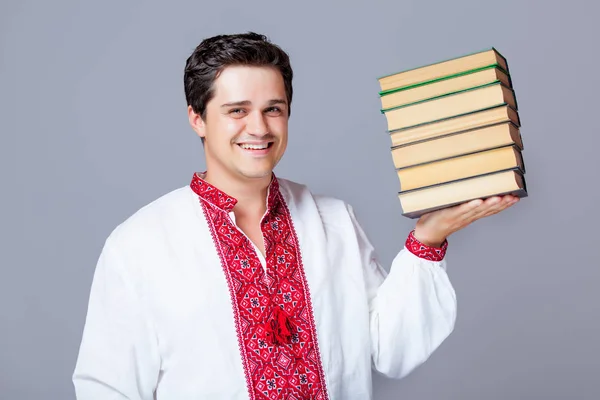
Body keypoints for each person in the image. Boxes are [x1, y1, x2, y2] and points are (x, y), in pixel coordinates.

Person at [72, 32, 519, 400]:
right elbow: (107, 388)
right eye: (236, 111)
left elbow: (391, 350)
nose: (259, 127)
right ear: (197, 118)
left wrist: (429, 238)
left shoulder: (334, 221)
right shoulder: (141, 244)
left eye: (273, 109)